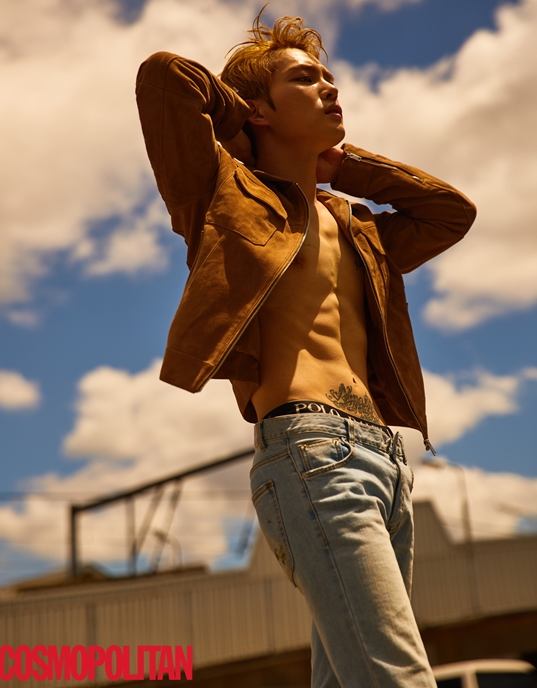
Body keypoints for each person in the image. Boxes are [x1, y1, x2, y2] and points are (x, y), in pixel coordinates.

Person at [136, 11, 476, 688]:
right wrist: (243, 131)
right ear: (259, 109)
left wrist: (348, 167)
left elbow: (450, 213)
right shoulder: (223, 195)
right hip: (312, 453)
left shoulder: (359, 228)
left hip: (387, 461)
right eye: (305, 78)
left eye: (328, 76)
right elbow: (164, 77)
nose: (329, 87)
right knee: (399, 678)